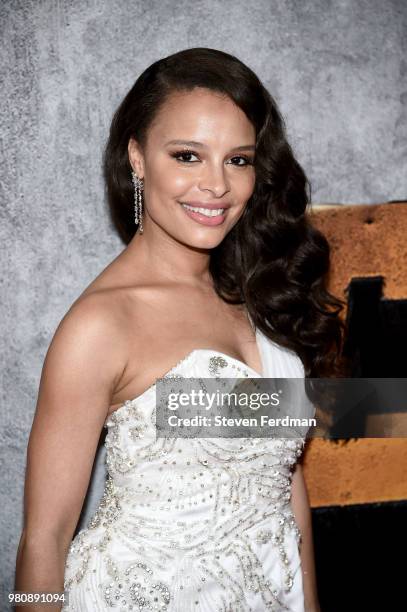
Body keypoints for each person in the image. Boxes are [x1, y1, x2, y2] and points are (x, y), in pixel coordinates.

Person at [15, 47, 344, 611]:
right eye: (188, 155)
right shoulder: (101, 324)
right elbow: (44, 538)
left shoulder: (256, 292)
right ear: (137, 158)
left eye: (238, 160)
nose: (216, 186)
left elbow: (281, 476)